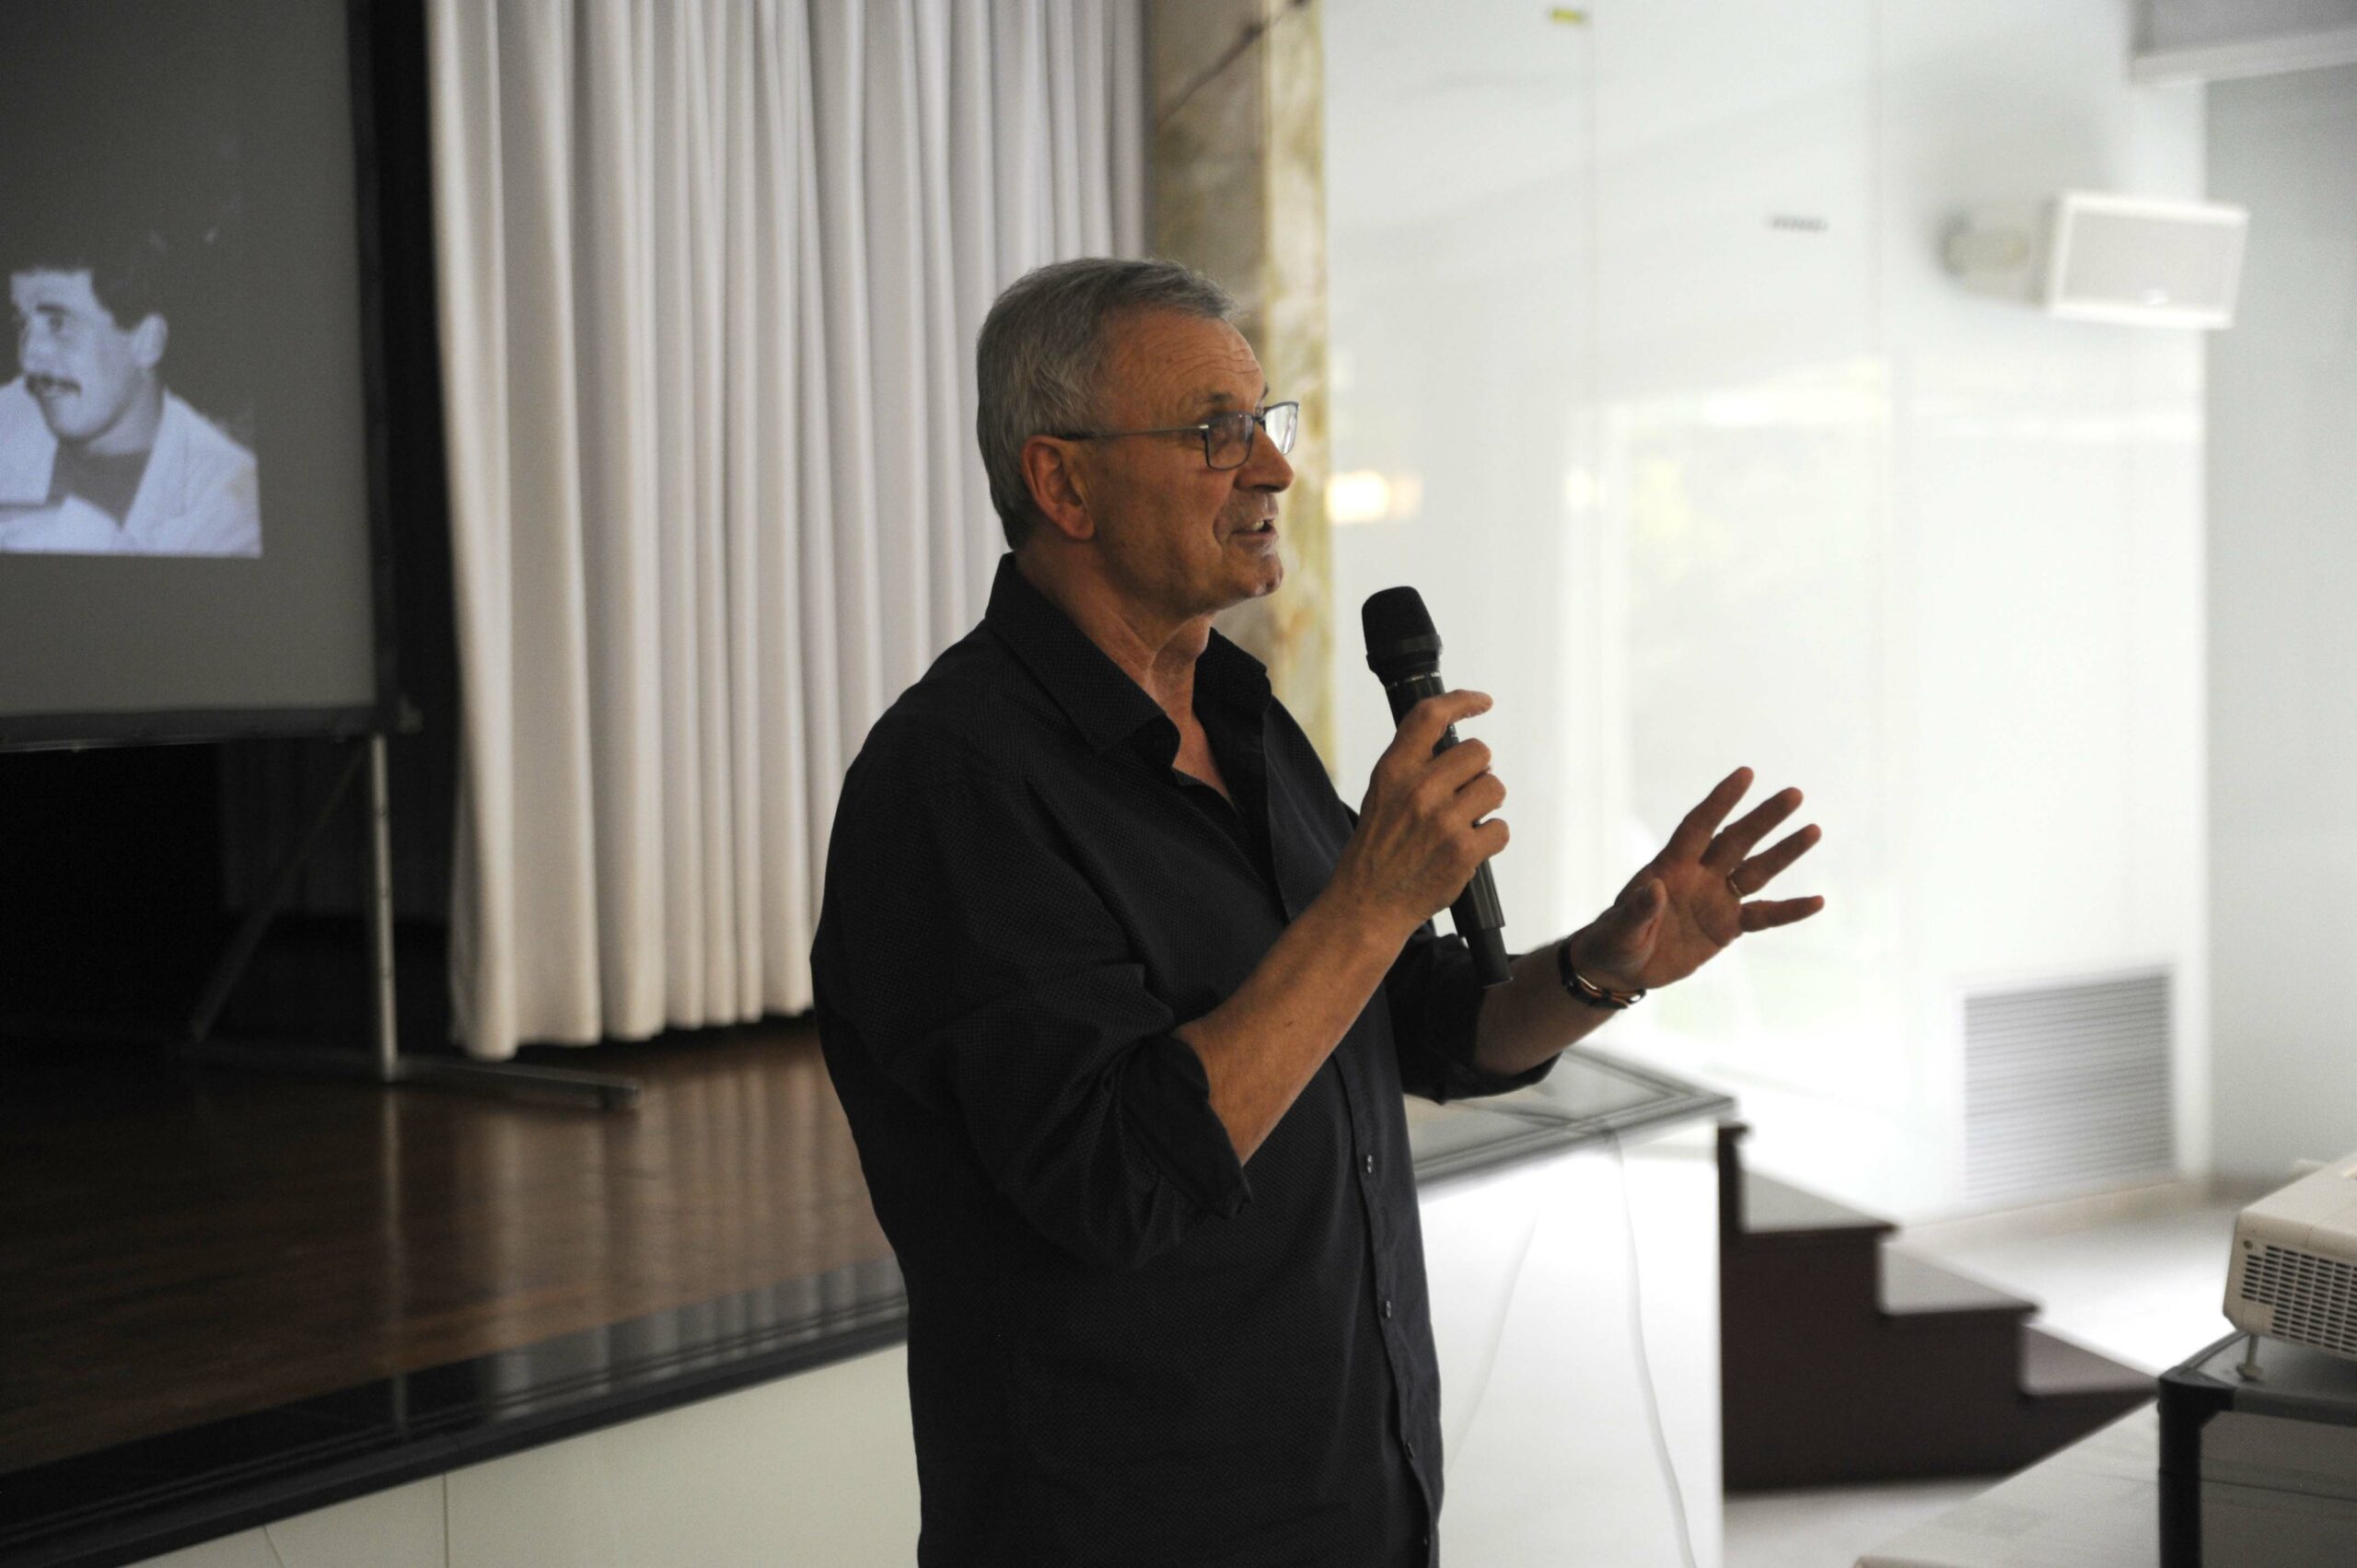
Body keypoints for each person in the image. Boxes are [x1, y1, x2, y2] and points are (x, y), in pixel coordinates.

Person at [810, 257, 1826, 1567]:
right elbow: (1115, 1175)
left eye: (1264, 422)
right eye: (1211, 432)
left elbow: (1417, 1023)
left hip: (1356, 1500)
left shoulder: (1243, 720)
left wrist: (1599, 965)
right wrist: (1369, 900)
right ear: (1062, 482)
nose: (1273, 469)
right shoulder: (955, 781)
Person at [0, 213, 260, 556]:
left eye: (58, 324)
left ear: (146, 342)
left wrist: (73, 528)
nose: (28, 359)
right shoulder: (9, 413)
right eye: (22, 323)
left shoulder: (234, 506)